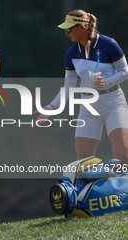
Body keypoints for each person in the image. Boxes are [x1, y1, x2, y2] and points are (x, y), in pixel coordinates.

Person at [35, 10, 128, 164]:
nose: (66, 33)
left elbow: (125, 72)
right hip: (89, 106)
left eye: (69, 29)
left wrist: (107, 82)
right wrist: (51, 107)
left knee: (122, 155)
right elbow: (69, 86)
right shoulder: (71, 53)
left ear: (82, 27)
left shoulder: (109, 44)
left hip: (114, 103)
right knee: (83, 162)